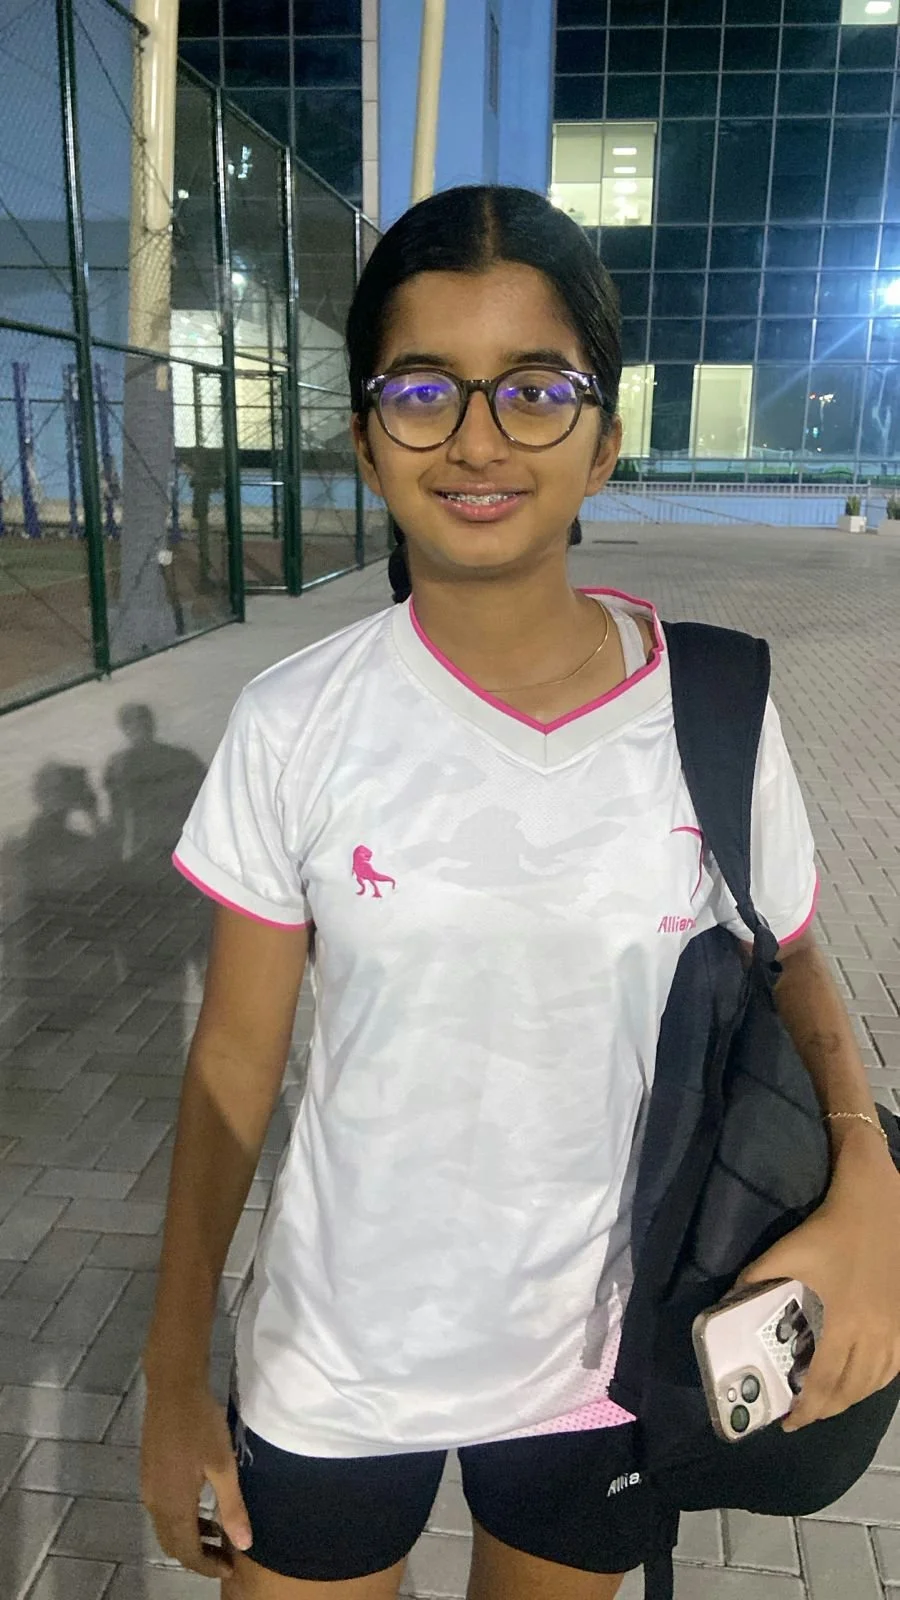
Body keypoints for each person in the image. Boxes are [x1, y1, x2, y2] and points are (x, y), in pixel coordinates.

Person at [141, 185, 900, 1600]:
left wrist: (871, 1182)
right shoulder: (296, 720)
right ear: (368, 438)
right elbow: (237, 1058)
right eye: (424, 387)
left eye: (535, 388)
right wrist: (173, 1371)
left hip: (605, 1365)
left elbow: (793, 961)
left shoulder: (716, 707)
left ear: (605, 436)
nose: (479, 436)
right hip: (336, 1358)